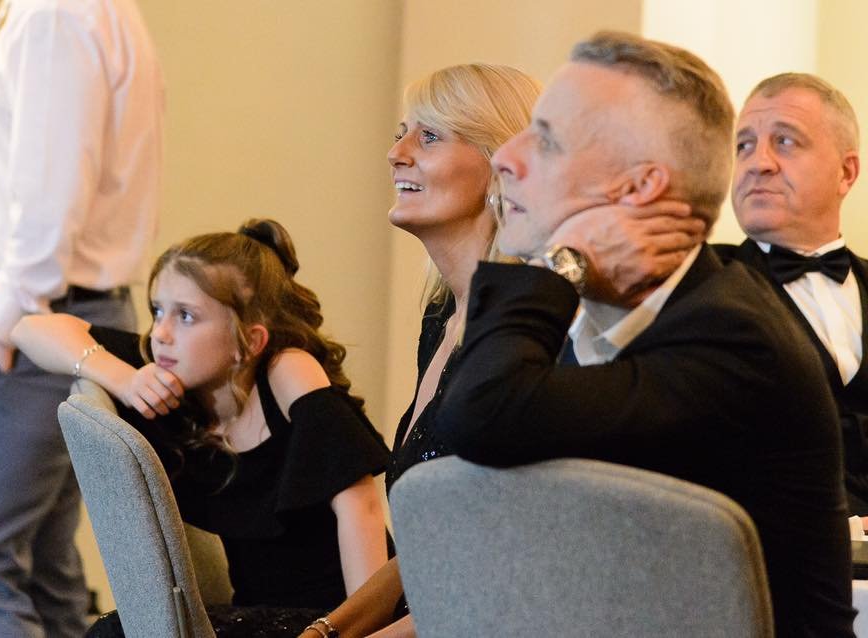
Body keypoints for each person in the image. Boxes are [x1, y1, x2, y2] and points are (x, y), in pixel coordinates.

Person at [434, 32, 855, 637]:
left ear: (638, 187)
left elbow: (482, 413)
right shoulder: (580, 321)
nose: (505, 158)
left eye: (547, 140)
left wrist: (559, 265)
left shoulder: (734, 337)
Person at [296, 63, 704, 638]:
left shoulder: (546, 330)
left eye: (428, 137)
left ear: (502, 164)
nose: (396, 153)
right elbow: (439, 539)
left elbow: (525, 563)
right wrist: (326, 631)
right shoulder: (441, 316)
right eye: (400, 133)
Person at [12, 220, 391, 636]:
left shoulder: (288, 371)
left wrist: (364, 631)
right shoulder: (168, 376)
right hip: (262, 615)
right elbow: (30, 329)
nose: (161, 333)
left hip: (340, 616)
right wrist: (124, 379)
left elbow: (361, 507)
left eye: (186, 316)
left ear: (250, 340)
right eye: (157, 310)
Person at [0, 1, 164, 635]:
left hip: (37, 319)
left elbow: (52, 181)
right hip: (73, 309)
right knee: (44, 567)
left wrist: (7, 319)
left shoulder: (57, 11)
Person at [715, 73, 868, 516]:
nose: (758, 163)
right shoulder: (704, 286)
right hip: (767, 549)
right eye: (744, 145)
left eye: (784, 141)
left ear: (846, 172)